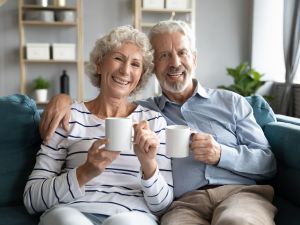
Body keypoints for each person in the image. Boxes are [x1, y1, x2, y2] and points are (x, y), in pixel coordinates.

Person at [39, 20, 277, 225]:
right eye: (164, 55)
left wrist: (221, 153)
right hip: (185, 204)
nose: (174, 63)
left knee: (236, 222)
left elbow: (268, 163)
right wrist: (63, 99)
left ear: (194, 58)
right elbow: (110, 100)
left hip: (240, 193)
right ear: (152, 69)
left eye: (182, 53)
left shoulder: (231, 102)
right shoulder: (148, 114)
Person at [23, 25, 173, 225]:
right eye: (118, 58)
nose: (125, 70)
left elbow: (163, 206)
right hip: (72, 212)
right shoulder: (69, 116)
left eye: (135, 64)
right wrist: (84, 172)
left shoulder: (153, 122)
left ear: (140, 78)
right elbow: (31, 199)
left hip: (132, 216)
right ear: (99, 63)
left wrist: (148, 164)